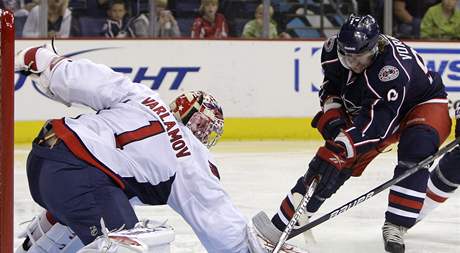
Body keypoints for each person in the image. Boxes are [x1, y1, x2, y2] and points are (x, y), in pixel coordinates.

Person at [14, 44, 307, 253]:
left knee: (103, 208)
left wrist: (47, 62)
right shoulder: (191, 159)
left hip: (44, 156)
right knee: (127, 243)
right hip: (78, 177)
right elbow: (222, 228)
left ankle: (43, 235)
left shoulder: (144, 97)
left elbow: (88, 79)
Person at [253, 14, 452, 253]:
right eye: (347, 57)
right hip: (377, 109)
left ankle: (397, 225)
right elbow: (330, 89)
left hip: (422, 104)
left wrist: (343, 144)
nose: (354, 64)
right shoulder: (331, 50)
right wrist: (335, 126)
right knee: (330, 163)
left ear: (375, 47)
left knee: (417, 149)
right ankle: (284, 223)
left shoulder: (391, 69)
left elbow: (378, 125)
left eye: (360, 58)